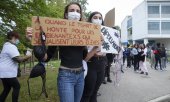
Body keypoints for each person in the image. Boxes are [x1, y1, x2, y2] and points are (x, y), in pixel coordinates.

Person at [26, 2, 95, 102]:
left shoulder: (84, 34)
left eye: (78, 11)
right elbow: (46, 58)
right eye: (72, 10)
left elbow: (84, 57)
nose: (75, 13)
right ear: (66, 15)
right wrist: (34, 41)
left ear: (80, 15)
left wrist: (96, 48)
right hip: (66, 77)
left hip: (80, 75)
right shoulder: (57, 32)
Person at [81, 11, 105, 102]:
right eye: (95, 17)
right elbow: (85, 58)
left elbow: (107, 50)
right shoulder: (85, 33)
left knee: (95, 91)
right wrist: (94, 50)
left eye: (100, 18)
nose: (98, 20)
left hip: (102, 63)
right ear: (90, 19)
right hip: (90, 64)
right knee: (88, 92)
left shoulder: (105, 33)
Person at [0, 31, 31, 102]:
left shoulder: (6, 45)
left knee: (7, 88)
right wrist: (27, 56)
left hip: (3, 72)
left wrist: (25, 58)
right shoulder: (10, 46)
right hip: (7, 73)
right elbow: (18, 59)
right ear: (13, 37)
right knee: (17, 86)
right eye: (17, 38)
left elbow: (16, 59)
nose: (18, 40)